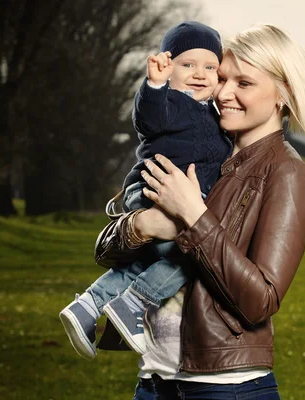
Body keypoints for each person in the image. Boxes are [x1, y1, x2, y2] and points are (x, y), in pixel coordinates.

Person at [94, 24, 305, 399]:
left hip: (224, 388)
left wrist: (194, 216)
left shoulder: (287, 171)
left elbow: (260, 301)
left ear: (283, 94)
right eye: (223, 77)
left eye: (243, 84)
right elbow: (104, 252)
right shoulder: (190, 147)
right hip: (154, 381)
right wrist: (144, 224)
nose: (223, 92)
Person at [59, 21, 231, 360]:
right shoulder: (169, 101)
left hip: (176, 196)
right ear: (169, 66)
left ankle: (87, 307)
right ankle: (136, 304)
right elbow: (148, 119)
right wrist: (154, 84)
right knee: (193, 252)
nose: (200, 74)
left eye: (210, 67)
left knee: (152, 260)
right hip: (154, 189)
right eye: (188, 65)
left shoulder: (211, 113)